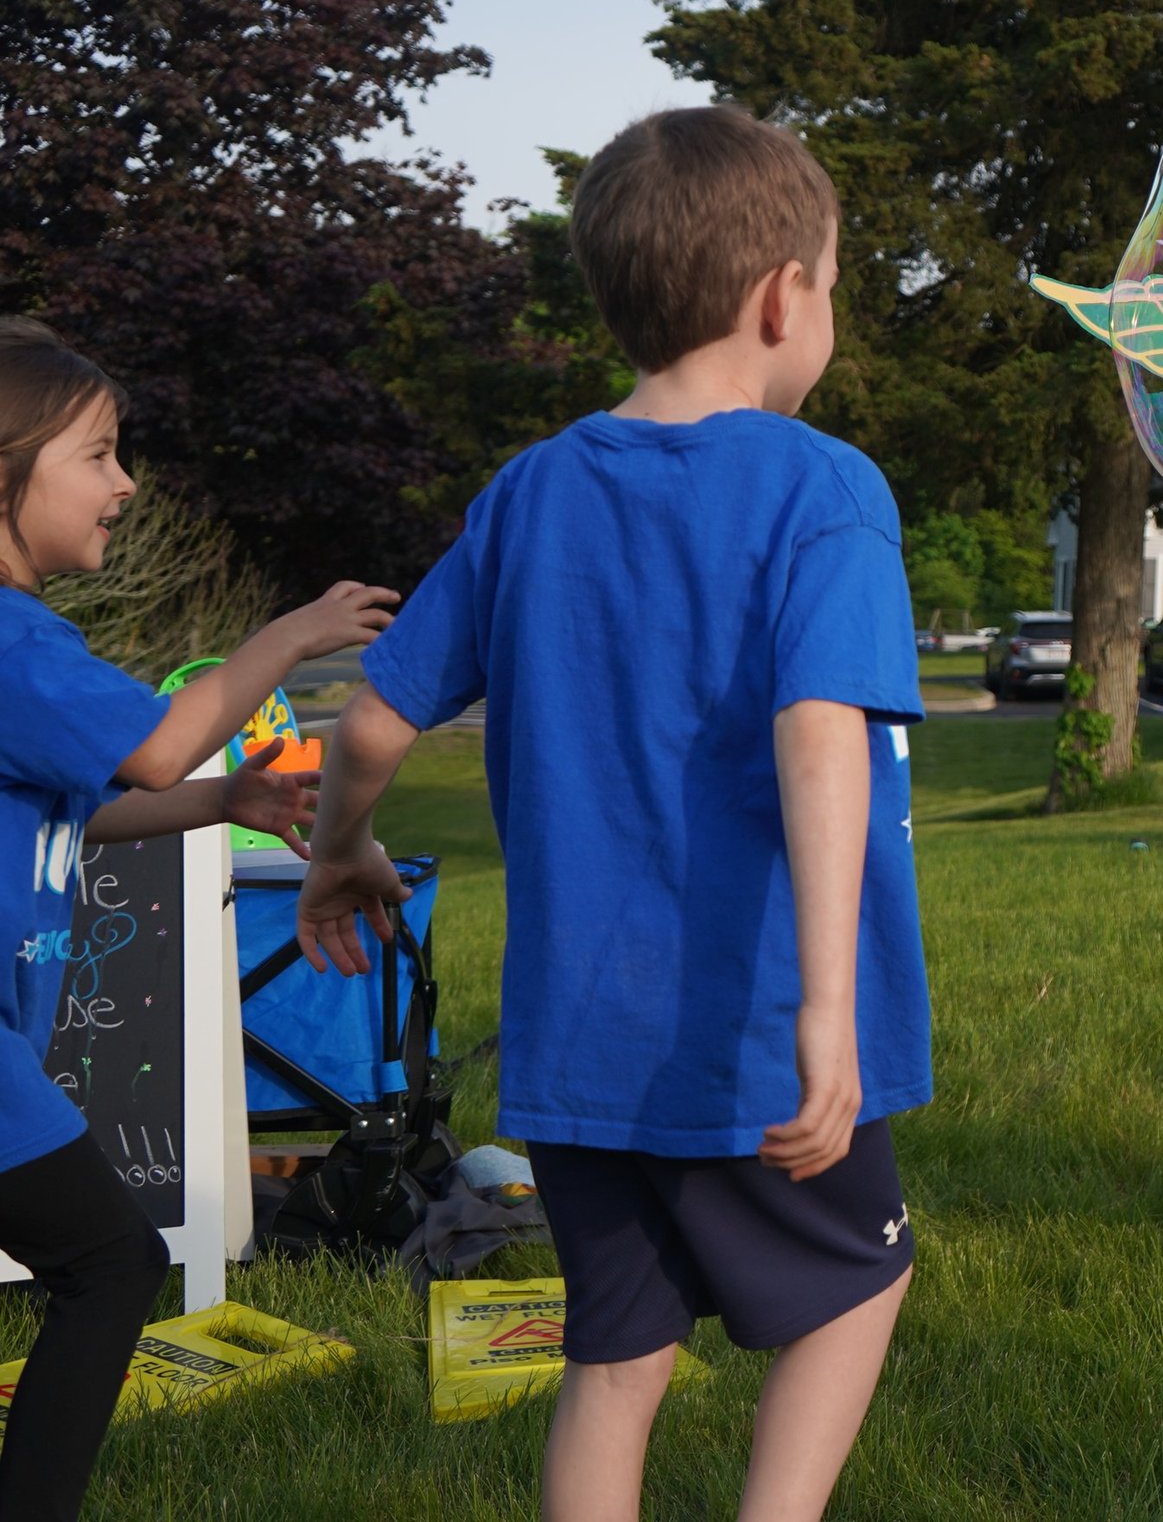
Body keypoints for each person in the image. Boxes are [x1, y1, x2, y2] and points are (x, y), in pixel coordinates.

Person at [292, 108, 929, 1522]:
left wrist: (338, 849)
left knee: (618, 1351)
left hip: (579, 1039)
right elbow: (820, 728)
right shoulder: (825, 485)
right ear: (782, 294)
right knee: (859, 1279)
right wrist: (832, 1009)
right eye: (834, 282)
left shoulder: (529, 489)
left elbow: (376, 719)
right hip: (756, 1020)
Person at [0, 320, 395, 1522]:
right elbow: (156, 740)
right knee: (112, 1262)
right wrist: (288, 635)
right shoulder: (10, 637)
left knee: (99, 1260)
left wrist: (223, 798)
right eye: (101, 455)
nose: (125, 485)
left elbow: (81, 814)